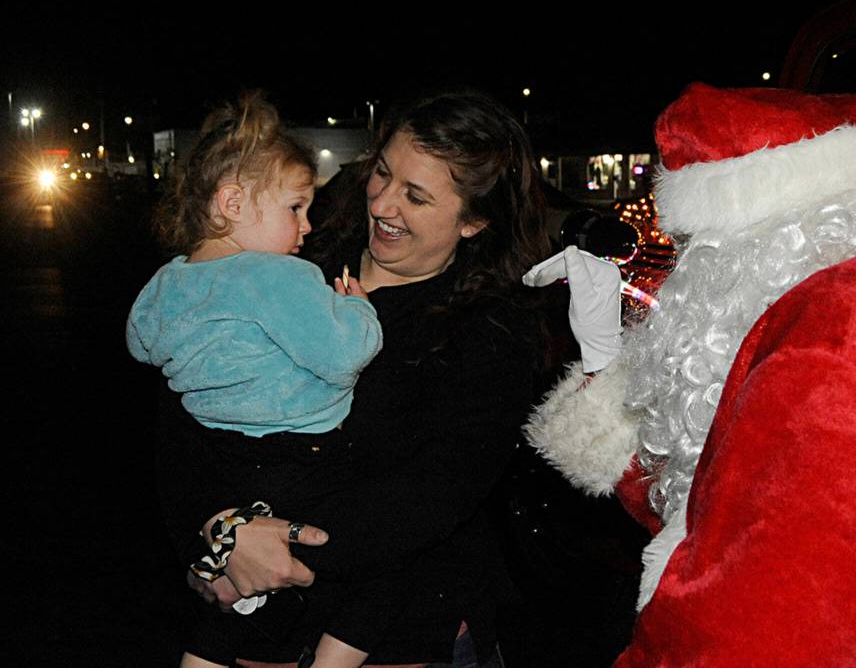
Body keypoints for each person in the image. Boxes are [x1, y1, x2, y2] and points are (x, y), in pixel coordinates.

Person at [524, 83, 856, 665]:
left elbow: (747, 632)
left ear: (737, 246)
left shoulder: (842, 333)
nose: (683, 275)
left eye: (692, 248)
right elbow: (737, 500)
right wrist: (608, 373)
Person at [160, 90, 552, 667]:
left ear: (474, 221)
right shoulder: (290, 260)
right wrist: (217, 534)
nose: (383, 204)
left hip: (402, 635)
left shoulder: (493, 328)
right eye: (383, 174)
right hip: (259, 627)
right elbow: (184, 411)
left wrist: (275, 545)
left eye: (416, 196)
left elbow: (436, 492)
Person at [128, 93, 388, 667]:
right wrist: (359, 309)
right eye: (296, 207)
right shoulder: (279, 275)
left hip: (219, 455)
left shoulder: (167, 282)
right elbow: (344, 355)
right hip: (306, 449)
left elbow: (142, 345)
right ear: (232, 204)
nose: (307, 225)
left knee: (238, 612)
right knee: (376, 584)